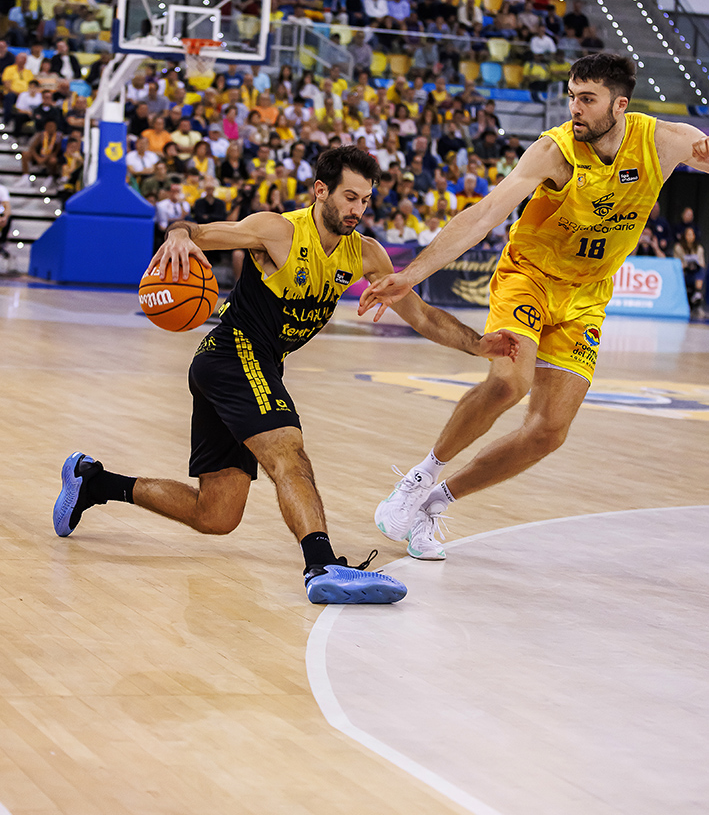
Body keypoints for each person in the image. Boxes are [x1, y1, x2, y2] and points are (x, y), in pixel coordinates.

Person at [52, 146, 519, 604]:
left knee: (216, 514)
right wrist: (177, 234)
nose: (357, 209)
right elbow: (198, 231)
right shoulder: (277, 231)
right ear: (321, 190)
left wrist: (477, 344)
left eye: (365, 199)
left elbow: (421, 314)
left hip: (252, 365)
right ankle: (322, 564)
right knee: (287, 452)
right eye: (349, 197)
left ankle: (94, 481)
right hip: (234, 353)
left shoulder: (364, 254)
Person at [359, 53, 709, 560]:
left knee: (548, 432)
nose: (575, 108)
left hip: (587, 296)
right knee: (509, 381)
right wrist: (411, 274)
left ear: (620, 105)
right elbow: (484, 214)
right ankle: (420, 477)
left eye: (587, 99)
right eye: (572, 97)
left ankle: (435, 503)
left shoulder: (664, 141)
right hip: (530, 278)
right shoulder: (554, 151)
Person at [673, 226, 705, 318]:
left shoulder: (699, 248)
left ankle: (698, 293)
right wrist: (686, 264)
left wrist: (695, 263)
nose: (690, 237)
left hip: (695, 274)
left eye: (692, 235)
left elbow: (702, 264)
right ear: (684, 236)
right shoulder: (678, 247)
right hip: (684, 274)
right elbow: (676, 263)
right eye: (688, 234)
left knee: (701, 271)